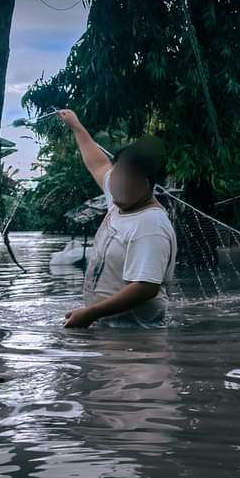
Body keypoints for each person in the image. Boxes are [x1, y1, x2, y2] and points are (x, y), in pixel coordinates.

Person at [56, 109, 177, 329]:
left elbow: (145, 287)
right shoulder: (122, 195)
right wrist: (77, 127)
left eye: (126, 177)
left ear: (146, 183)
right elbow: (97, 163)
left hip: (137, 337)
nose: (116, 182)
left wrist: (90, 314)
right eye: (117, 173)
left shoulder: (150, 224)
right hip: (110, 328)